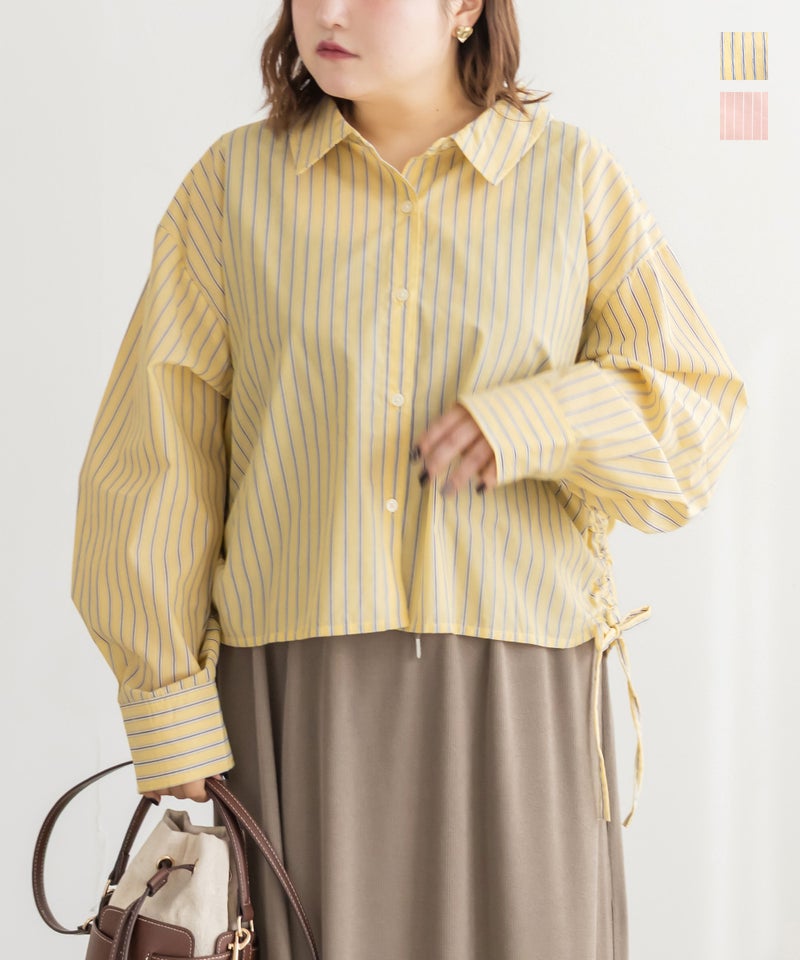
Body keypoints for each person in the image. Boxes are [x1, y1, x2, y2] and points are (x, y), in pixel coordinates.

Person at [71, 0, 747, 957]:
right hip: (296, 703)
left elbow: (697, 423)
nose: (329, 13)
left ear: (465, 7)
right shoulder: (233, 188)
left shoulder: (572, 181)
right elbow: (153, 459)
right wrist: (167, 706)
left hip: (523, 695)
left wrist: (542, 419)